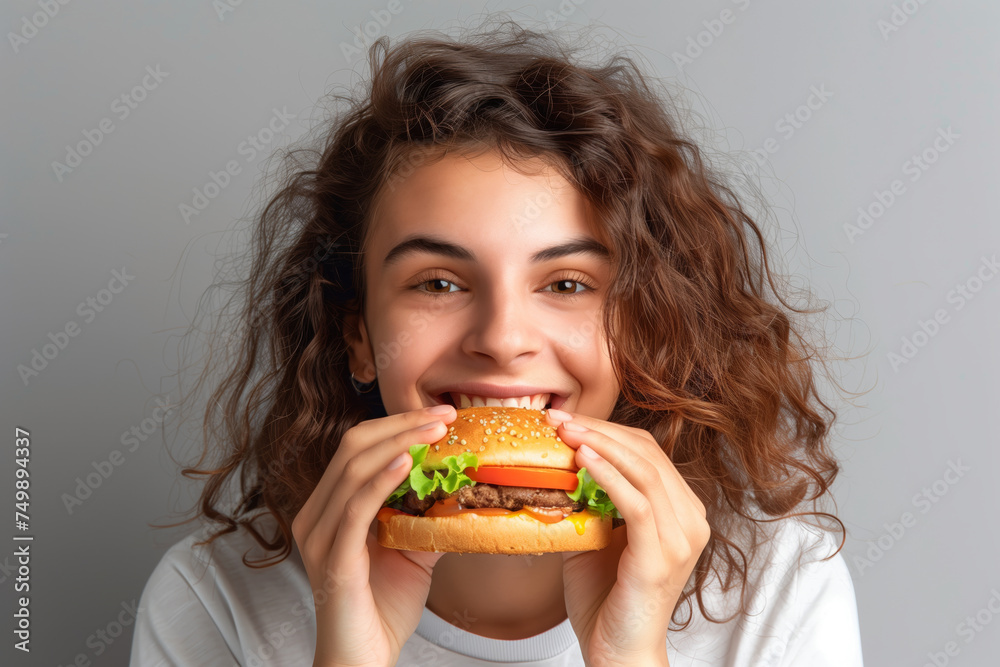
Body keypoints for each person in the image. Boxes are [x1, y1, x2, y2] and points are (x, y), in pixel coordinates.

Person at [130, 18, 864, 667]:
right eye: (439, 283)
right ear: (357, 334)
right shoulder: (216, 600)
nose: (503, 339)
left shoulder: (779, 593)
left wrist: (630, 655)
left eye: (568, 283)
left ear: (644, 326)